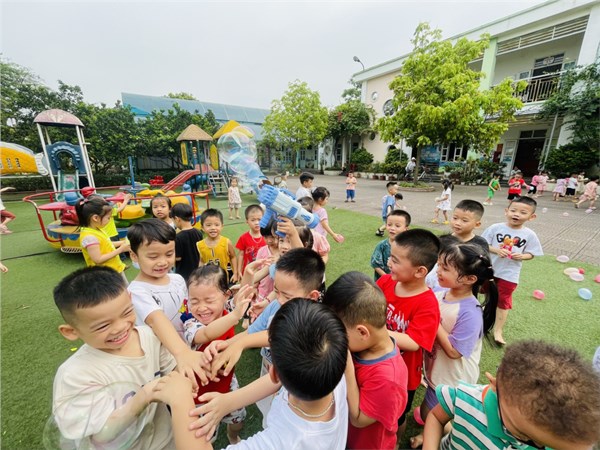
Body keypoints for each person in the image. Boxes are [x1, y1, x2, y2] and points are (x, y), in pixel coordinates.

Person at [153, 299, 350, 450]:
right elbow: (279, 379)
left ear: (274, 372)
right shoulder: (334, 369)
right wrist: (229, 401)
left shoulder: (280, 443)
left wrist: (180, 400)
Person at [52, 266, 176, 449]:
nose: (120, 327)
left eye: (127, 312)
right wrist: (145, 395)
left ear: (130, 300)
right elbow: (102, 435)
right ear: (71, 331)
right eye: (103, 326)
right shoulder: (75, 375)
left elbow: (174, 371)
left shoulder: (149, 336)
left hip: (167, 441)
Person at [205, 248, 326, 426]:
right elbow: (251, 332)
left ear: (312, 296)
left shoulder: (313, 321)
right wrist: (223, 345)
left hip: (289, 390)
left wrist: (241, 344)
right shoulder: (275, 305)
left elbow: (277, 336)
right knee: (267, 413)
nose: (280, 299)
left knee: (277, 421)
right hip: (268, 369)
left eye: (287, 296)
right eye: (277, 291)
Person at [422, 340, 600, 450]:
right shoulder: (466, 399)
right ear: (495, 384)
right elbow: (436, 417)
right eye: (526, 437)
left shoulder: (560, 438)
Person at [410, 243, 498, 448]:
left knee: (430, 414)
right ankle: (428, 433)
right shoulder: (441, 293)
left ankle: (455, 433)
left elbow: (454, 351)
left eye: (445, 268)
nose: (437, 271)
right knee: (430, 412)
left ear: (469, 279)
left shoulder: (470, 313)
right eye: (439, 265)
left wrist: (433, 320)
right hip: (436, 370)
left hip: (452, 378)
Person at [324, 271, 408, 450]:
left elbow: (358, 419)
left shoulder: (389, 379)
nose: (335, 337)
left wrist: (348, 368)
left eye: (338, 332)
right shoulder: (362, 345)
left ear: (362, 332)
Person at [128, 219, 209, 389]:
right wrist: (182, 352)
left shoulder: (177, 279)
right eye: (153, 256)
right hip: (163, 357)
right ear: (134, 256)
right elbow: (156, 320)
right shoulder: (137, 291)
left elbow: (187, 308)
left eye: (169, 254)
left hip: (187, 346)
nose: (163, 262)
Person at [376, 229, 441, 442]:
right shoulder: (386, 282)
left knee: (397, 416)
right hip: (374, 362)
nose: (389, 263)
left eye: (395, 260)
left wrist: (376, 332)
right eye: (390, 257)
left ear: (420, 271)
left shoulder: (427, 303)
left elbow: (414, 342)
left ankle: (394, 443)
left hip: (402, 374)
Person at [182, 265, 252, 444]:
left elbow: (242, 296)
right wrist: (235, 316)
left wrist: (248, 274)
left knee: (237, 421)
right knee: (205, 436)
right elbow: (206, 334)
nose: (201, 308)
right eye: (194, 301)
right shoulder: (190, 323)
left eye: (209, 300)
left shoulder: (227, 309)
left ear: (226, 296)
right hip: (199, 394)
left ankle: (232, 436)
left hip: (228, 383)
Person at [482, 196, 543, 345]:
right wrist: (497, 250)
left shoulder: (529, 234)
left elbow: (532, 253)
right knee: (485, 293)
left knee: (503, 301)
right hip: (489, 269)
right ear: (506, 211)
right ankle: (480, 319)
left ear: (532, 217)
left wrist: (522, 256)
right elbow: (483, 244)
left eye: (523, 212)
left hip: (509, 274)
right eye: (513, 210)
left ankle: (498, 330)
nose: (516, 214)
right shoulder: (495, 228)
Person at [426, 199, 489, 294]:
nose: (457, 223)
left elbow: (481, 268)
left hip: (465, 291)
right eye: (455, 218)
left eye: (464, 220)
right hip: (437, 287)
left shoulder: (480, 243)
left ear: (477, 224)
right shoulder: (443, 240)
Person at [75, 196, 130, 279]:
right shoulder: (89, 237)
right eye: (108, 218)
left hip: (113, 270)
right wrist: (120, 250)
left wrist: (122, 243)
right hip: (105, 276)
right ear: (95, 218)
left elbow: (106, 244)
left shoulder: (97, 229)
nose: (109, 220)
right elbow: (98, 259)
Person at [197, 209, 238, 283]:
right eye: (208, 225)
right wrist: (199, 274)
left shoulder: (226, 242)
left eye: (216, 225)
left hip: (225, 279)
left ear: (222, 226)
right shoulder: (200, 245)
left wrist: (235, 273)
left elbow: (233, 257)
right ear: (202, 227)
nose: (213, 228)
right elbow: (202, 260)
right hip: (209, 280)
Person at [371, 210, 411, 281]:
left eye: (397, 226)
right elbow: (375, 264)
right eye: (389, 225)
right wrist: (388, 279)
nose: (392, 228)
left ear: (406, 229)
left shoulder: (409, 247)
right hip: (384, 282)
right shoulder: (382, 245)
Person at [171, 203, 204, 282]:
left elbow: (178, 258)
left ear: (177, 219)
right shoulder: (198, 233)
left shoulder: (178, 237)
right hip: (198, 271)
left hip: (184, 274)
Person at [235, 204, 265, 277]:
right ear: (247, 221)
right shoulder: (243, 238)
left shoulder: (267, 237)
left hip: (263, 272)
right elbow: (241, 255)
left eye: (259, 219)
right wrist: (239, 271)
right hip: (248, 271)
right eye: (253, 220)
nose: (257, 223)